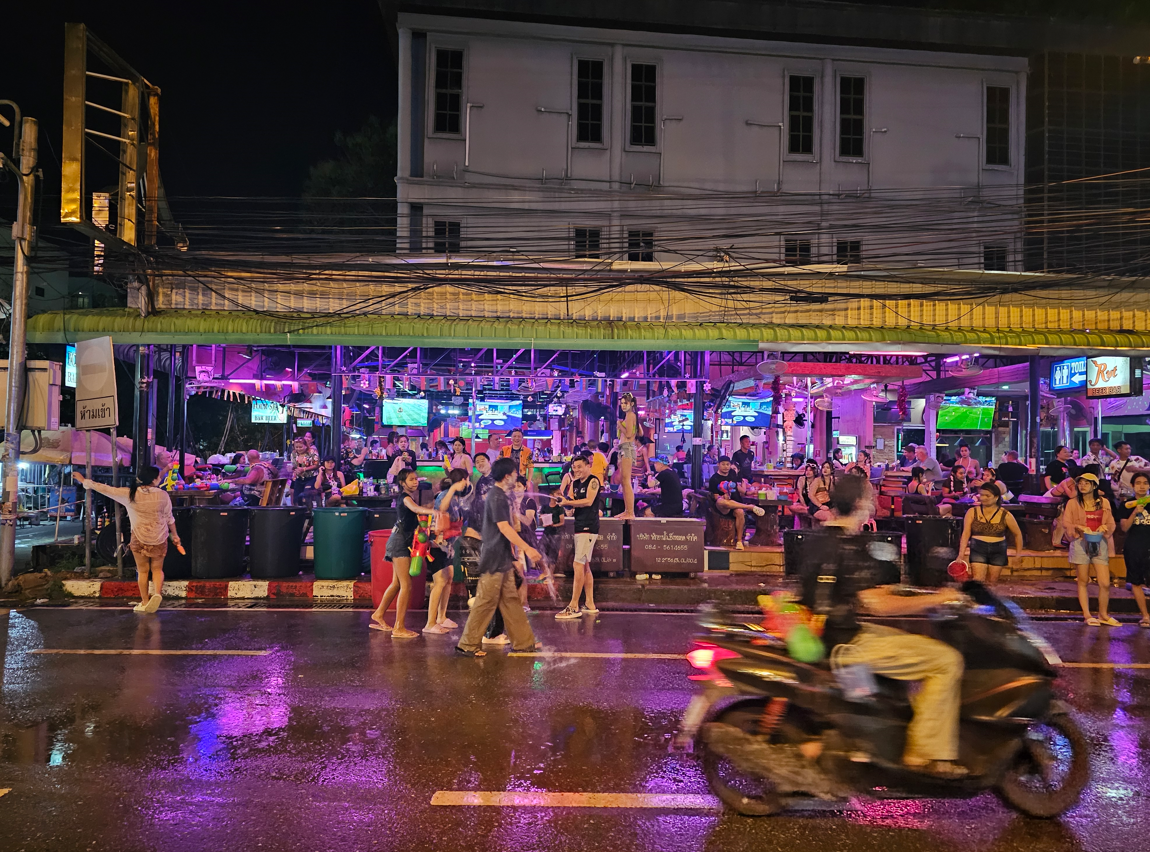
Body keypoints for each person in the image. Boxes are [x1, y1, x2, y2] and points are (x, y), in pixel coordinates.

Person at [801, 475, 967, 778]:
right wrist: (936, 599)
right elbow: (876, 604)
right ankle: (924, 753)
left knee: (908, 642)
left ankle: (904, 724)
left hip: (832, 634)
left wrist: (917, 594)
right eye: (871, 496)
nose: (875, 501)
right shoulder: (847, 546)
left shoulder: (821, 538)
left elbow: (855, 593)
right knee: (946, 660)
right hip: (845, 644)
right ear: (861, 503)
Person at [455, 457, 543, 657]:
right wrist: (527, 548)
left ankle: (523, 642)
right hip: (494, 557)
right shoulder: (497, 496)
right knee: (485, 602)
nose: (516, 476)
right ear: (506, 476)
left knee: (511, 600)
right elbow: (504, 528)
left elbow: (510, 526)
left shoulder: (500, 495)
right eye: (514, 473)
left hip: (501, 557)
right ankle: (467, 644)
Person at [74, 465, 181, 614]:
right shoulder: (163, 495)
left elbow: (105, 489)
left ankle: (144, 602)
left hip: (139, 538)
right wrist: (175, 535)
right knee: (157, 569)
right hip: (159, 537)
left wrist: (84, 481)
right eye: (159, 477)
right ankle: (157, 593)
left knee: (143, 571)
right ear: (155, 479)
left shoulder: (129, 494)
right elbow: (169, 518)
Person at [371, 468, 437, 639]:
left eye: (416, 479)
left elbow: (419, 509)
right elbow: (416, 509)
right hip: (399, 542)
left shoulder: (410, 498)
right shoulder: (405, 498)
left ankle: (378, 614)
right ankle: (399, 627)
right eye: (411, 479)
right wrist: (434, 512)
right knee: (406, 585)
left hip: (400, 541)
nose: (415, 482)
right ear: (402, 483)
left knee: (397, 583)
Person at [1062, 472, 1118, 626]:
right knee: (1082, 580)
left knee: (1105, 582)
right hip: (1081, 542)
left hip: (1099, 542)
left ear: (1094, 485)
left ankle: (1103, 614)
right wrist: (1078, 527)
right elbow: (1066, 523)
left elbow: (1112, 523)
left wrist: (1104, 527)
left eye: (1087, 483)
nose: (1082, 486)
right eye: (1080, 483)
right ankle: (1087, 615)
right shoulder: (1073, 503)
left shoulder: (1104, 502)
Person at [423, 469, 470, 635]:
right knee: (440, 582)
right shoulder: (445, 495)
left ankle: (441, 617)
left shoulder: (457, 498)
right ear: (462, 480)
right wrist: (451, 489)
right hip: (437, 544)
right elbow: (442, 509)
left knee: (448, 577)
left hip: (447, 546)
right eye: (466, 480)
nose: (468, 484)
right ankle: (430, 623)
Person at [555, 454, 602, 619]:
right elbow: (572, 506)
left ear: (588, 465)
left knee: (578, 564)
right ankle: (590, 603)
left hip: (589, 527)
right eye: (574, 468)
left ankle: (574, 605)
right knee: (585, 565)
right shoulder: (574, 483)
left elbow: (589, 501)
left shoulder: (593, 481)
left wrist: (569, 503)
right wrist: (565, 503)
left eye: (580, 467)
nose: (576, 470)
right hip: (579, 525)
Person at [958, 482, 1024, 584]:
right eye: (982, 495)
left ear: (996, 497)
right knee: (978, 582)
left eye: (987, 496)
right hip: (978, 548)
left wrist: (1018, 555)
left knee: (992, 583)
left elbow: (1018, 534)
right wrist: (960, 555)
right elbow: (966, 533)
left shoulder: (1006, 514)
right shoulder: (972, 512)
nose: (983, 498)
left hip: (998, 549)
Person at [708, 456, 766, 550]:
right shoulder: (714, 479)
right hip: (723, 507)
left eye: (727, 464)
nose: (726, 467)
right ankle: (749, 507)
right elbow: (715, 496)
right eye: (723, 464)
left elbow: (737, 486)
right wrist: (722, 496)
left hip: (735, 504)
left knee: (739, 512)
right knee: (722, 502)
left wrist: (746, 492)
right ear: (718, 465)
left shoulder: (732, 473)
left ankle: (739, 541)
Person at [1118, 471, 1150, 629]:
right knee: (1136, 582)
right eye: (1138, 483)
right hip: (1134, 547)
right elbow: (1124, 527)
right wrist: (1134, 512)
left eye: (1145, 483)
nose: (1142, 486)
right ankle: (1145, 615)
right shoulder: (1126, 504)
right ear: (1132, 485)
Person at [617, 392, 640, 519]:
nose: (623, 405)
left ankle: (630, 512)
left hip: (627, 448)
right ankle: (627, 510)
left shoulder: (631, 415)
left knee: (626, 481)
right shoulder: (630, 416)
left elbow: (630, 435)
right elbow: (638, 431)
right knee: (623, 481)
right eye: (621, 403)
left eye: (625, 403)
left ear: (631, 403)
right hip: (623, 448)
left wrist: (620, 425)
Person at [290, 438, 320, 504]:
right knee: (296, 498)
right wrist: (293, 469)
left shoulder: (312, 452)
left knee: (306, 495)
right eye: (296, 447)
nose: (298, 449)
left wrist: (304, 469)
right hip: (299, 478)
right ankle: (299, 513)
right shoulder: (293, 454)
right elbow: (294, 465)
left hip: (311, 477)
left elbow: (316, 465)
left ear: (305, 445)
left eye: (300, 447)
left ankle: (309, 511)